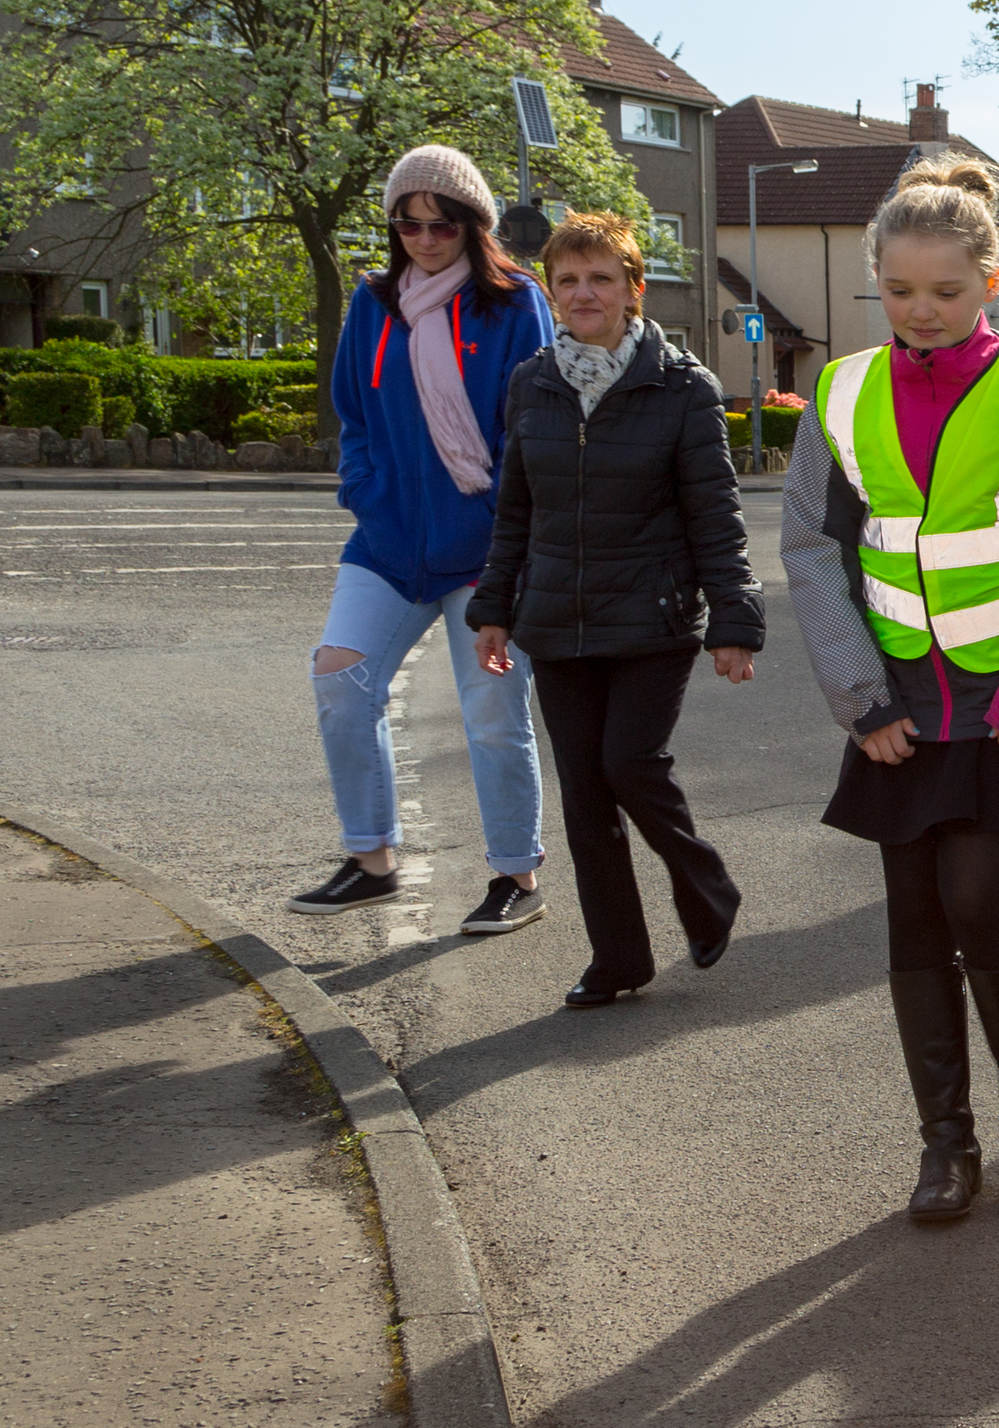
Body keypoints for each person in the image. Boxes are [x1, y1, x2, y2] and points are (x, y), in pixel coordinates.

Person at [781, 158, 999, 1224]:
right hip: (894, 703)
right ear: (876, 281)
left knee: (978, 896)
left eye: (945, 291)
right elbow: (811, 550)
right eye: (898, 291)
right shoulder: (841, 393)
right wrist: (860, 697)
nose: (920, 312)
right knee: (914, 918)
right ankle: (945, 1142)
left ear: (990, 281)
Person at [468, 209, 760, 1009]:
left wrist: (734, 620)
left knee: (629, 763)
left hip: (653, 617)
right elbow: (515, 511)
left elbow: (715, 514)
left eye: (601, 278)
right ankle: (618, 959)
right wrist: (495, 606)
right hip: (556, 622)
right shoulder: (532, 383)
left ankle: (703, 883)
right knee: (585, 796)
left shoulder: (682, 387)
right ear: (552, 293)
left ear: (633, 290)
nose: (583, 292)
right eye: (568, 280)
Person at [292, 146, 557, 932]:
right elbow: (354, 417)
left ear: (473, 224)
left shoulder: (516, 303)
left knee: (490, 711)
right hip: (389, 541)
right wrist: (365, 493)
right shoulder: (374, 303)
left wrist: (499, 529)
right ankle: (372, 860)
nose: (423, 236)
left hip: (488, 550)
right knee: (341, 680)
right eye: (407, 222)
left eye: (441, 222)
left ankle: (517, 875)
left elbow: (529, 426)